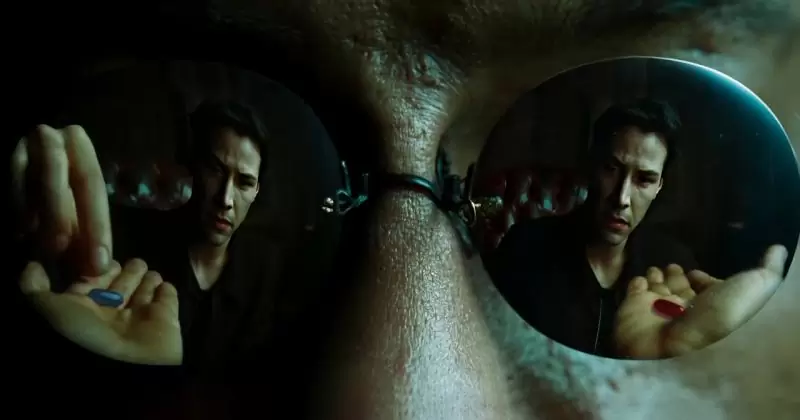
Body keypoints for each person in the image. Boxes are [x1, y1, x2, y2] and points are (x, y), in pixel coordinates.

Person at [9, 4, 796, 417]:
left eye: (644, 178)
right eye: (611, 170)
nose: (417, 405)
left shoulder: (674, 286)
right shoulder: (140, 283)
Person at [12, 101, 290, 381]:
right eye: (215, 169)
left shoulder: (266, 274)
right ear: (192, 167)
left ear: (256, 190)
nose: (226, 199)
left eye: (244, 182)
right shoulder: (125, 245)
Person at [488, 99, 745, 358]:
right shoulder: (524, 249)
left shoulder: (675, 265)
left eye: (644, 180)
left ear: (659, 187)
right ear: (592, 166)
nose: (622, 198)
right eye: (611, 169)